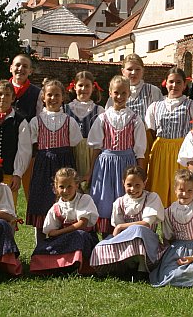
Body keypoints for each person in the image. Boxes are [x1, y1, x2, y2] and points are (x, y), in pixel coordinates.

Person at [87, 75, 147, 235]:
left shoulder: (135, 119)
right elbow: (96, 148)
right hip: (105, 166)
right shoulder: (102, 118)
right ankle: (106, 237)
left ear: (129, 94)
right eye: (116, 93)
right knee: (104, 200)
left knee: (125, 199)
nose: (120, 97)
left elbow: (140, 150)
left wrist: (141, 174)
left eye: (123, 93)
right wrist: (90, 172)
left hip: (127, 165)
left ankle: (124, 235)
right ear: (110, 93)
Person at [24, 79, 82, 230]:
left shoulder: (70, 122)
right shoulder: (36, 121)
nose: (53, 99)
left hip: (64, 164)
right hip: (43, 165)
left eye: (57, 95)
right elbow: (31, 145)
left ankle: (64, 237)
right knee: (42, 202)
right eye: (49, 95)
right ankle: (41, 241)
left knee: (65, 200)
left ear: (63, 97)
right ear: (43, 97)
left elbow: (75, 142)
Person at [90, 166, 164, 278]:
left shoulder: (151, 198)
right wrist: (118, 230)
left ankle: (142, 268)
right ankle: (126, 265)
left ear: (145, 183)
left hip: (148, 242)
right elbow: (118, 233)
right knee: (100, 246)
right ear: (123, 183)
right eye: (129, 185)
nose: (133, 189)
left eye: (137, 185)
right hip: (126, 240)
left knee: (138, 230)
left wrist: (121, 226)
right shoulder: (119, 202)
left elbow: (146, 223)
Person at [30, 167, 99, 275]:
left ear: (76, 185)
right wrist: (60, 236)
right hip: (64, 239)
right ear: (56, 188)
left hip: (85, 239)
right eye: (61, 187)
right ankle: (60, 266)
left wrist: (61, 233)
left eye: (69, 186)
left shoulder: (84, 199)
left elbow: (81, 224)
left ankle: (77, 265)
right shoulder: (56, 207)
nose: (65, 191)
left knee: (79, 235)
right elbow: (50, 232)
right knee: (41, 248)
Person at [145, 67, 193, 207]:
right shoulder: (155, 106)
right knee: (159, 188)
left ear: (184, 85)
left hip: (182, 150)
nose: (174, 86)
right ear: (165, 83)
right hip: (160, 151)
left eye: (178, 82)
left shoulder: (191, 105)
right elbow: (151, 132)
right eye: (171, 82)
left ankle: (179, 223)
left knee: (180, 188)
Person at [149, 169, 193, 288]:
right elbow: (167, 237)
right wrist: (168, 255)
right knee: (167, 272)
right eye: (181, 190)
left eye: (189, 190)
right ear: (175, 189)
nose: (185, 194)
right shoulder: (170, 211)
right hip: (176, 249)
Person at [0, 80, 32, 206]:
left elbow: (24, 150)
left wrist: (17, 173)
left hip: (9, 173)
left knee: (7, 207)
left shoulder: (20, 122)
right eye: (0, 94)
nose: (3, 98)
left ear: (13, 98)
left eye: (7, 95)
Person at [109, 53, 164, 167]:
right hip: (123, 140)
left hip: (147, 138)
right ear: (123, 71)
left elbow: (160, 116)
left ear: (143, 71)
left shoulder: (153, 91)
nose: (133, 73)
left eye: (137, 69)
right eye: (129, 69)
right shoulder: (116, 91)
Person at [8, 53, 43, 204]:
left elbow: (40, 121)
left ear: (30, 71)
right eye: (17, 65)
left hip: (30, 150)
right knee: (6, 191)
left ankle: (37, 225)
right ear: (11, 68)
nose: (20, 69)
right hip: (7, 148)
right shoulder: (0, 90)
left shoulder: (37, 93)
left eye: (25, 66)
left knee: (32, 190)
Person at [64, 71, 104, 185]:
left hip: (91, 153)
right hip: (71, 151)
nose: (84, 89)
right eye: (80, 85)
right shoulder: (66, 109)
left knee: (90, 185)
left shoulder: (98, 111)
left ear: (93, 88)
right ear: (74, 87)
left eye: (87, 86)